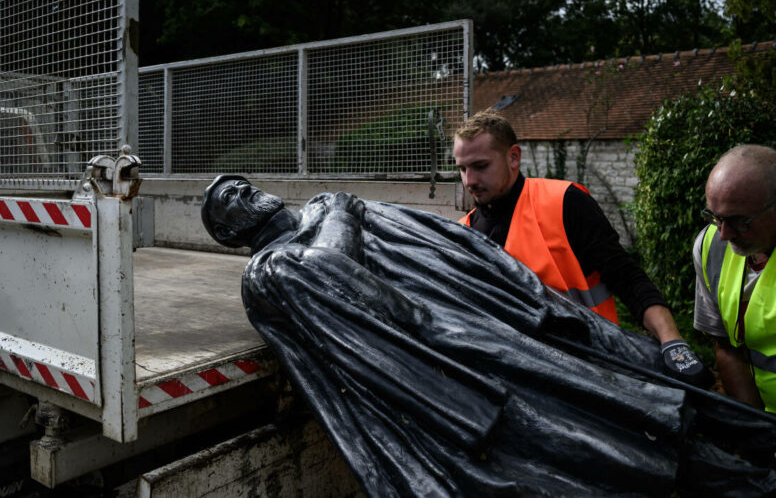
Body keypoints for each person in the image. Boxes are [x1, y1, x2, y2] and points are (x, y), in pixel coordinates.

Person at [201, 175, 776, 497]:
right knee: (611, 434)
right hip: (460, 366)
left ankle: (756, 457)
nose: (249, 193)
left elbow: (463, 247)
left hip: (513, 322)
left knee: (642, 389)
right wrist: (340, 211)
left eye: (244, 185)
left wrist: (535, 300)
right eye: (233, 200)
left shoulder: (333, 212)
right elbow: (343, 281)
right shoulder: (272, 269)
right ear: (229, 232)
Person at [454, 108, 711, 388]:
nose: (470, 181)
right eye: (462, 168)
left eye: (480, 166)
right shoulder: (463, 232)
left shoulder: (564, 202)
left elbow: (626, 277)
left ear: (513, 157)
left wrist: (672, 341)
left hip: (590, 371)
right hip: (515, 379)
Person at [694, 144, 776, 412]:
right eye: (715, 218)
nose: (724, 235)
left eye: (740, 221)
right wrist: (757, 433)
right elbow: (727, 348)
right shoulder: (710, 247)